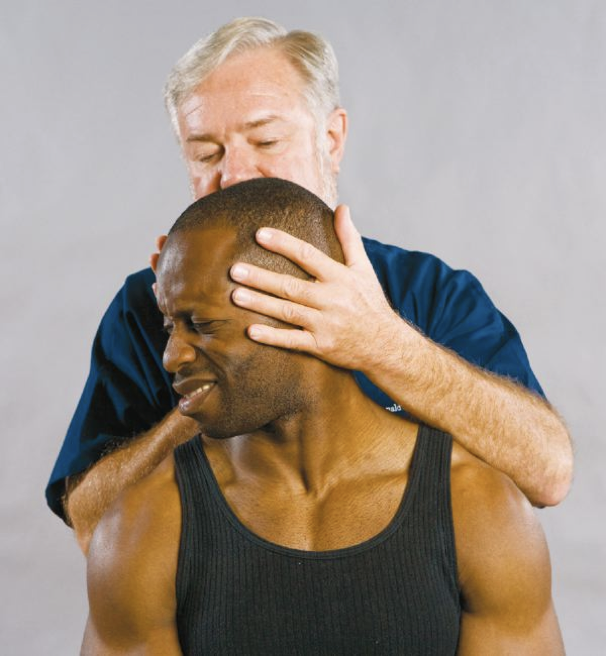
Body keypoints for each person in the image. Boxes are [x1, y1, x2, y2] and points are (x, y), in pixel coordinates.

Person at [49, 17, 573, 553]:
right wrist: (213, 388)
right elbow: (93, 527)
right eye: (206, 153)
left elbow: (548, 473)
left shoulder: (428, 290)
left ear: (332, 139)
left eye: (267, 140)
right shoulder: (146, 308)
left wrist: (381, 343)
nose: (233, 175)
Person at [82, 178, 564, 655]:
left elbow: (551, 469)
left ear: (300, 310)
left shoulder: (477, 507)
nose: (170, 356)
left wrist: (382, 345)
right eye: (170, 325)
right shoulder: (145, 523)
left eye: (202, 325)